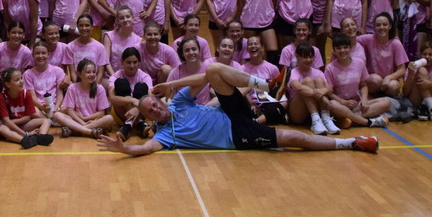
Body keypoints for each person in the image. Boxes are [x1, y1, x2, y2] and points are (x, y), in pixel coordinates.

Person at [96, 62, 379, 156]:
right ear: (149, 118)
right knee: (293, 138)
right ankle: (352, 143)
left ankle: (265, 84)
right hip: (238, 134)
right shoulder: (165, 135)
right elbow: (146, 149)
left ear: (160, 101)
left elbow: (205, 77)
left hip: (232, 111)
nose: (156, 109)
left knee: (213, 69)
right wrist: (123, 149)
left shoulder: (179, 101)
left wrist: (170, 84)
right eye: (150, 111)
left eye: (155, 104)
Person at [286, 43, 341, 135]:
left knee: (319, 80)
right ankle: (316, 120)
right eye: (305, 57)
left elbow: (329, 89)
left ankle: (325, 119)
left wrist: (323, 91)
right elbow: (298, 87)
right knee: (307, 81)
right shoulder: (293, 72)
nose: (308, 60)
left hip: (317, 107)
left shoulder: (318, 72)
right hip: (298, 113)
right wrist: (322, 97)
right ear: (297, 56)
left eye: (311, 57)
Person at [0, 67, 52, 149]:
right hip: (10, 128)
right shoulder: (2, 97)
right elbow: (6, 121)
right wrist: (25, 134)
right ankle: (23, 140)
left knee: (46, 120)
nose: (21, 81)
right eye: (17, 80)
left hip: (23, 125)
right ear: (8, 84)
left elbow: (27, 118)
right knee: (1, 128)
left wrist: (12, 122)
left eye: (21, 78)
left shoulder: (26, 94)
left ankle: (40, 137)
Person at [55, 58, 114, 138]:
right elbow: (70, 111)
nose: (92, 74)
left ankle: (75, 130)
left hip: (94, 121)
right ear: (79, 74)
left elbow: (101, 113)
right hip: (77, 120)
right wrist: (82, 122)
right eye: (88, 72)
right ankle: (89, 131)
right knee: (57, 115)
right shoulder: (72, 88)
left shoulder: (99, 88)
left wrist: (85, 118)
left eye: (94, 72)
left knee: (109, 118)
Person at [357, 12, 409, 100]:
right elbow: (352, 40)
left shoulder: (396, 44)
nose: (381, 27)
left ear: (390, 26)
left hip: (390, 80)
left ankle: (388, 100)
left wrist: (389, 77)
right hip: (373, 79)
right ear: (374, 27)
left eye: (385, 24)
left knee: (394, 86)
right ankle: (372, 96)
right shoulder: (369, 39)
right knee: (375, 80)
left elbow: (402, 69)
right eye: (378, 25)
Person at [107, 47, 153, 138]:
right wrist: (133, 101)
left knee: (141, 86)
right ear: (122, 62)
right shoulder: (115, 76)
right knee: (121, 82)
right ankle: (140, 124)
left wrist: (137, 109)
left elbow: (151, 99)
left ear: (139, 62)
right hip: (120, 114)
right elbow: (112, 99)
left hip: (140, 112)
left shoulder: (145, 77)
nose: (132, 66)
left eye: (135, 62)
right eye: (128, 62)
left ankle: (127, 126)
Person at [23, 38, 67, 126]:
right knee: (32, 110)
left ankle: (52, 119)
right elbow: (32, 97)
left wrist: (56, 107)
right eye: (37, 53)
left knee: (69, 108)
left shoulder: (57, 71)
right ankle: (53, 121)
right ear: (33, 55)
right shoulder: (28, 74)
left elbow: (59, 93)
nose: (40, 56)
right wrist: (42, 107)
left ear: (48, 55)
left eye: (43, 53)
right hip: (40, 108)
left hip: (56, 106)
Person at [65, 13, 109, 85]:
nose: (84, 28)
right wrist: (78, 88)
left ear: (92, 27)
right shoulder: (70, 47)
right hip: (77, 85)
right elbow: (72, 73)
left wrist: (94, 88)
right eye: (81, 25)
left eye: (87, 25)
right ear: (77, 27)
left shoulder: (100, 47)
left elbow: (100, 73)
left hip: (95, 85)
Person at [104, 5, 143, 71]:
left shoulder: (138, 40)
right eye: (121, 18)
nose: (125, 20)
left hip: (130, 75)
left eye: (128, 17)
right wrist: (114, 76)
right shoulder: (109, 36)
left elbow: (138, 64)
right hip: (111, 75)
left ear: (133, 18)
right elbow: (106, 61)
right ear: (117, 21)